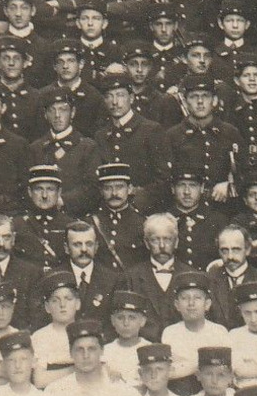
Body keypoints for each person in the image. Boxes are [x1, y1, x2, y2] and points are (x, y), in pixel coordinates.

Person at [95, 79, 172, 212]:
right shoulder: (101, 135)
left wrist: (139, 201)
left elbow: (164, 179)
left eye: (120, 95)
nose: (115, 102)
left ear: (131, 98)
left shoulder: (151, 130)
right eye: (109, 96)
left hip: (144, 209)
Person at [166, 77, 244, 207]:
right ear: (185, 102)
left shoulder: (230, 133)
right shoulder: (172, 135)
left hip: (223, 205)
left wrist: (230, 185)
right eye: (194, 97)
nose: (200, 102)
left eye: (205, 96)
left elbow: (245, 171)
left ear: (214, 101)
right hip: (185, 206)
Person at [117, 211, 196, 340]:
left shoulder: (190, 275)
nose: (162, 246)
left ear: (176, 242)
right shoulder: (130, 277)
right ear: (147, 243)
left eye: (167, 239)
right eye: (155, 240)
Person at [0, 213, 45, 331]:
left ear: (14, 238)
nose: (1, 244)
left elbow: (37, 320)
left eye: (6, 237)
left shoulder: (32, 273)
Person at [162, 270, 231, 395]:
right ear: (177, 305)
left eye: (197, 298)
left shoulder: (219, 331)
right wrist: (200, 364)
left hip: (214, 390)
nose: (191, 304)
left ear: (207, 304)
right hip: (180, 392)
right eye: (185, 298)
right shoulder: (170, 333)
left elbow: (225, 369)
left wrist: (185, 365)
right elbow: (169, 372)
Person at [86, 160, 150, 271]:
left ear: (129, 189)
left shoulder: (143, 223)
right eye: (108, 188)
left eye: (119, 187)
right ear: (101, 191)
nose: (114, 193)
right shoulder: (90, 222)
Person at [28, 270, 82, 387]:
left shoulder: (86, 333)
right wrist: (75, 370)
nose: (62, 305)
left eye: (68, 299)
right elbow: (39, 380)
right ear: (47, 307)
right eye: (55, 300)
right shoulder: (40, 337)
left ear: (77, 303)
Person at [101, 290, 153, 384]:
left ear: (142, 321)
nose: (126, 323)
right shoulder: (105, 351)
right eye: (120, 318)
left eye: (132, 318)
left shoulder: (150, 349)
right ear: (112, 321)